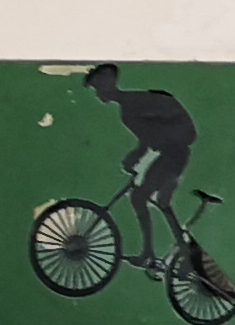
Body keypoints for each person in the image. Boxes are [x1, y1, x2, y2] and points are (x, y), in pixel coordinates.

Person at [83, 60, 198, 264]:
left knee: (141, 197)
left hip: (174, 152)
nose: (99, 94)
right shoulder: (129, 107)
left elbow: (151, 135)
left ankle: (151, 254)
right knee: (159, 202)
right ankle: (178, 252)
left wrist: (136, 155)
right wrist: (137, 155)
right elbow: (147, 139)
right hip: (173, 152)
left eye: (99, 88)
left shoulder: (132, 105)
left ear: (109, 83)